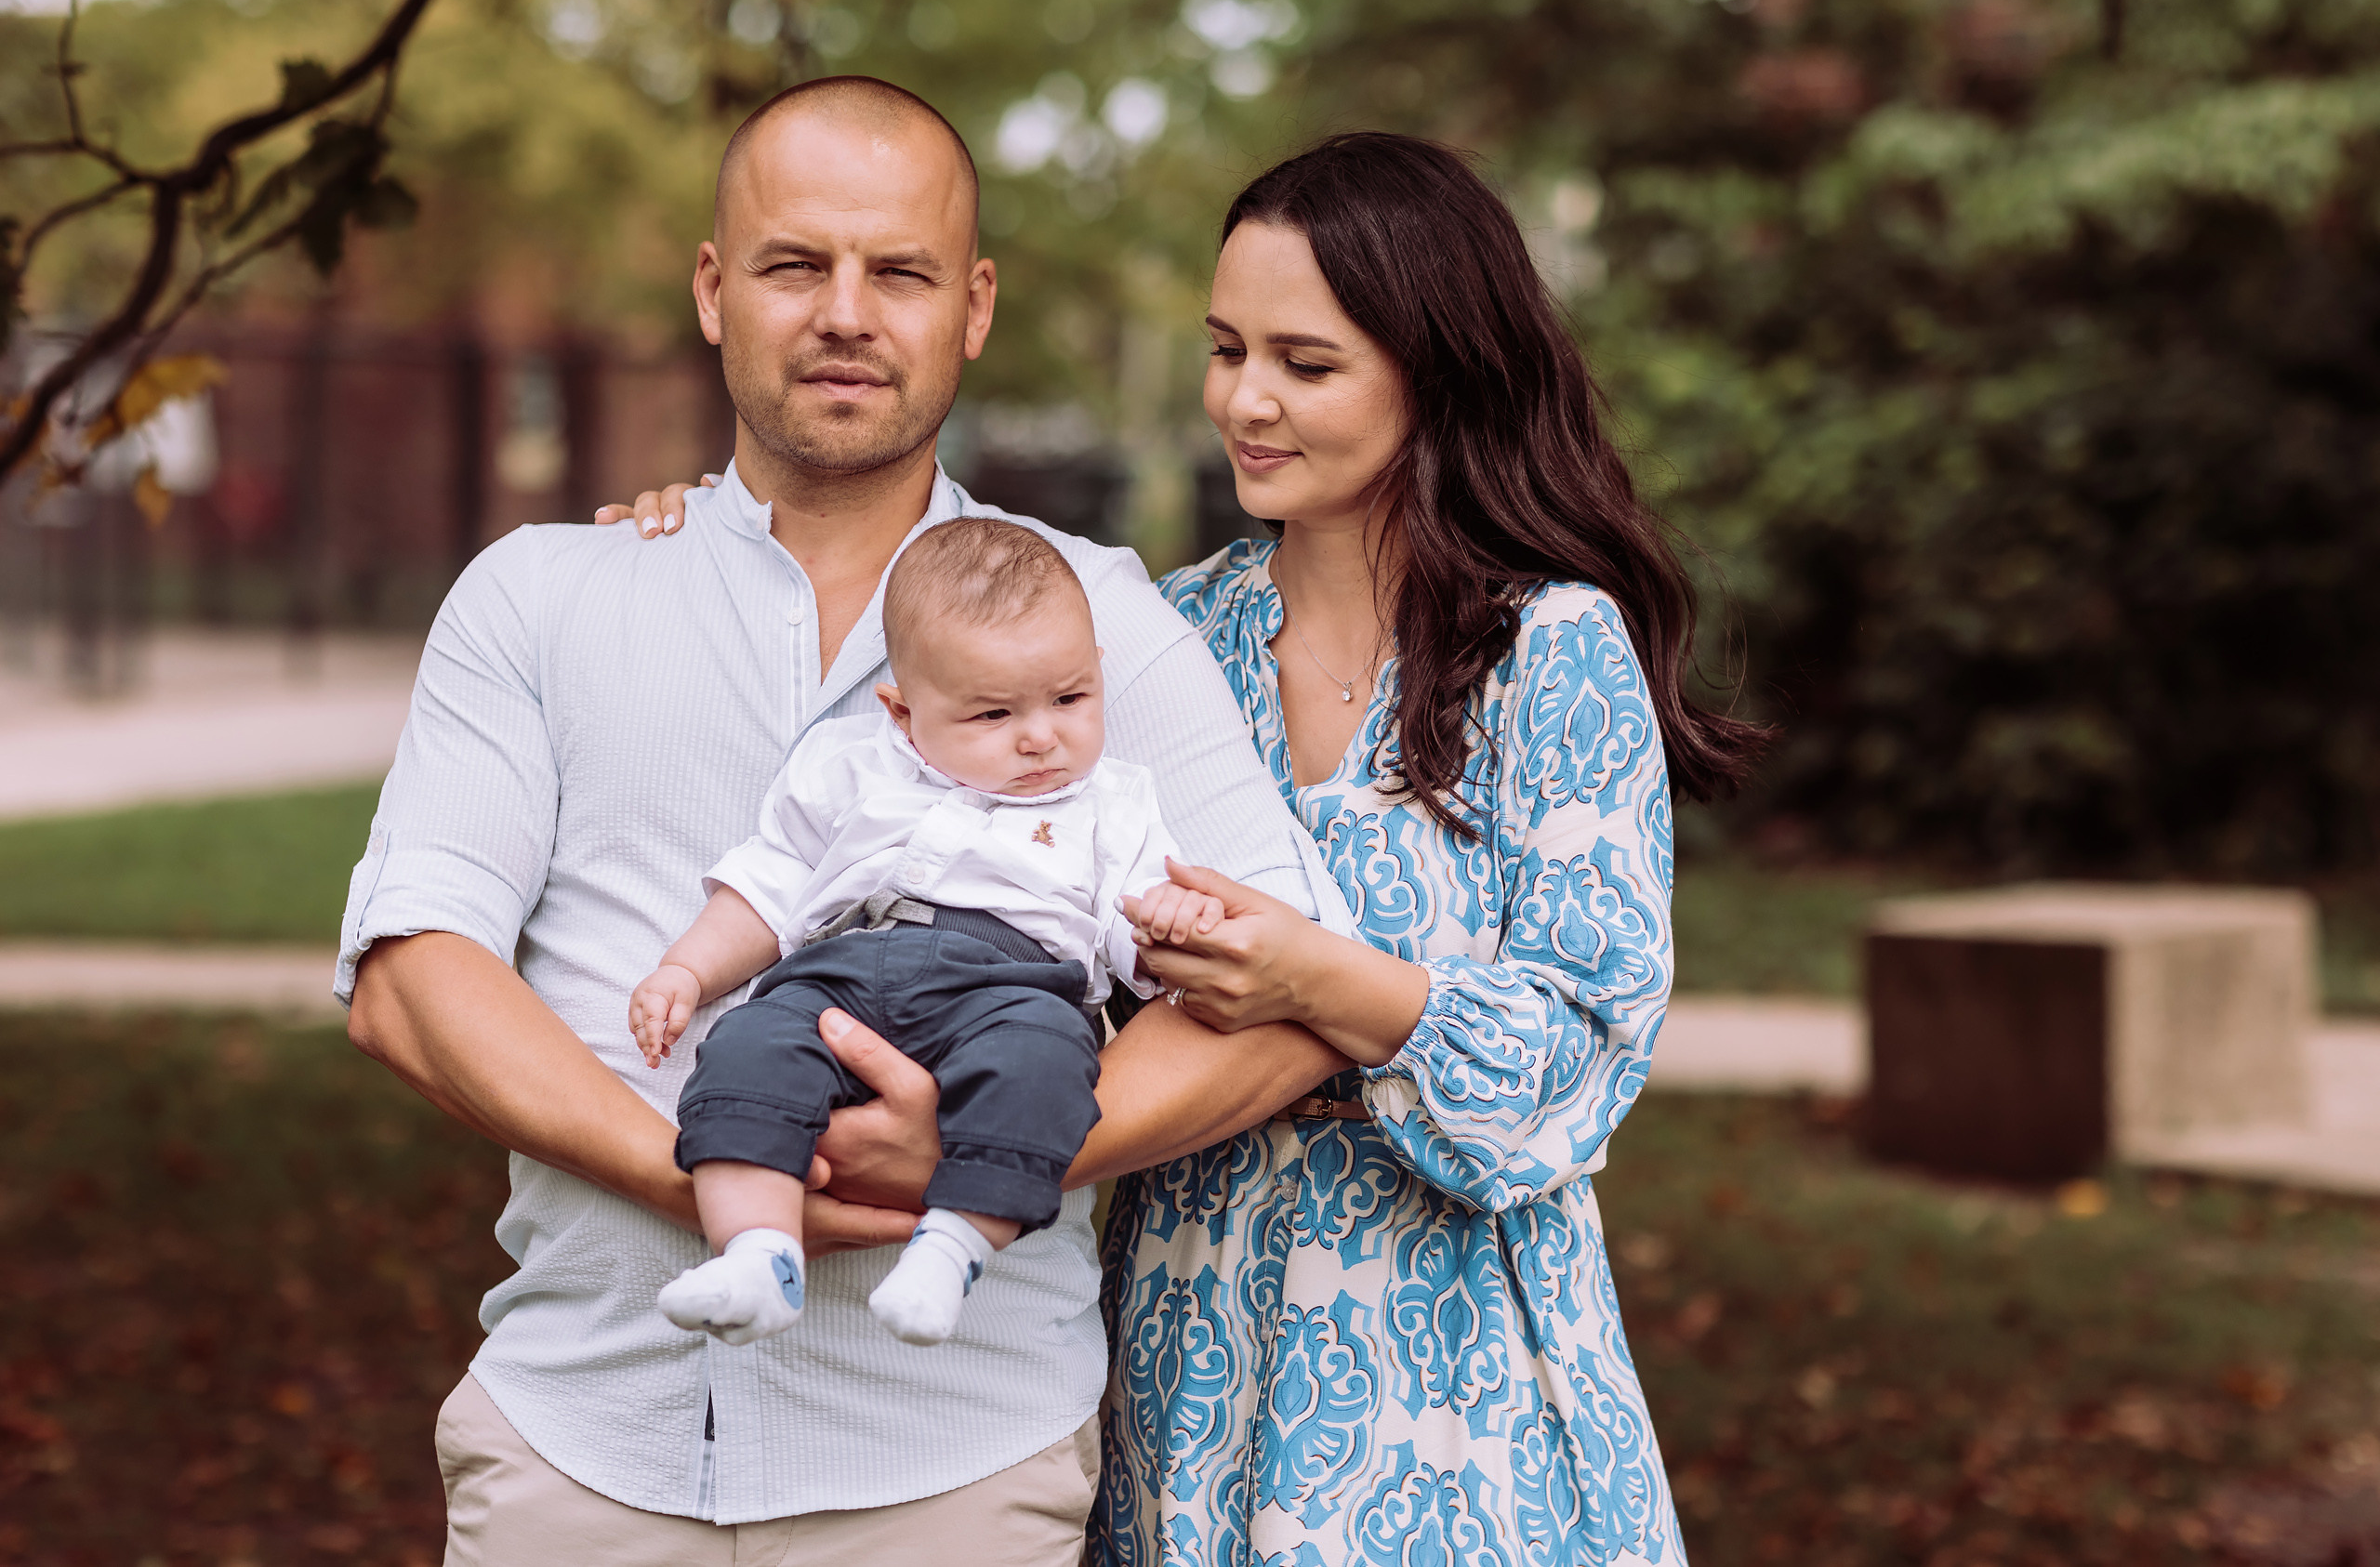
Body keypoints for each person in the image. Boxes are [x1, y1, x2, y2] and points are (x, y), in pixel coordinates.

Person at [609, 128, 1770, 1562]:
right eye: (1227, 350)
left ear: (1438, 368)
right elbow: (942, 694)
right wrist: (694, 532)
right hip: (1186, 1334)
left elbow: (1578, 1061)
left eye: (1306, 362)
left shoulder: (1551, 650)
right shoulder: (1166, 633)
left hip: (1455, 1372)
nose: (1245, 399)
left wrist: (1316, 977)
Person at [339, 75, 1355, 1566]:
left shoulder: (1099, 626)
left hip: (951, 1467)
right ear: (713, 290)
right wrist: (701, 1168)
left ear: (974, 306)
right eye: (793, 264)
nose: (845, 313)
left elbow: (1291, 991)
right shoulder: (541, 596)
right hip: (579, 1445)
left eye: (900, 272)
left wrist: (978, 1153)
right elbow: (411, 978)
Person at [628, 519, 1225, 1350]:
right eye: (993, 713)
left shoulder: (1112, 801)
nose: (1041, 736)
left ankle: (950, 1251)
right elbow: (770, 882)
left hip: (1016, 988)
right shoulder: (848, 762)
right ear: (903, 712)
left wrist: (1170, 923)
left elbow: (1135, 917)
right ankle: (759, 1253)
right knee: (747, 1052)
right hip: (838, 970)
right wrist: (685, 970)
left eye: (1070, 698)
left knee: (1045, 1072)